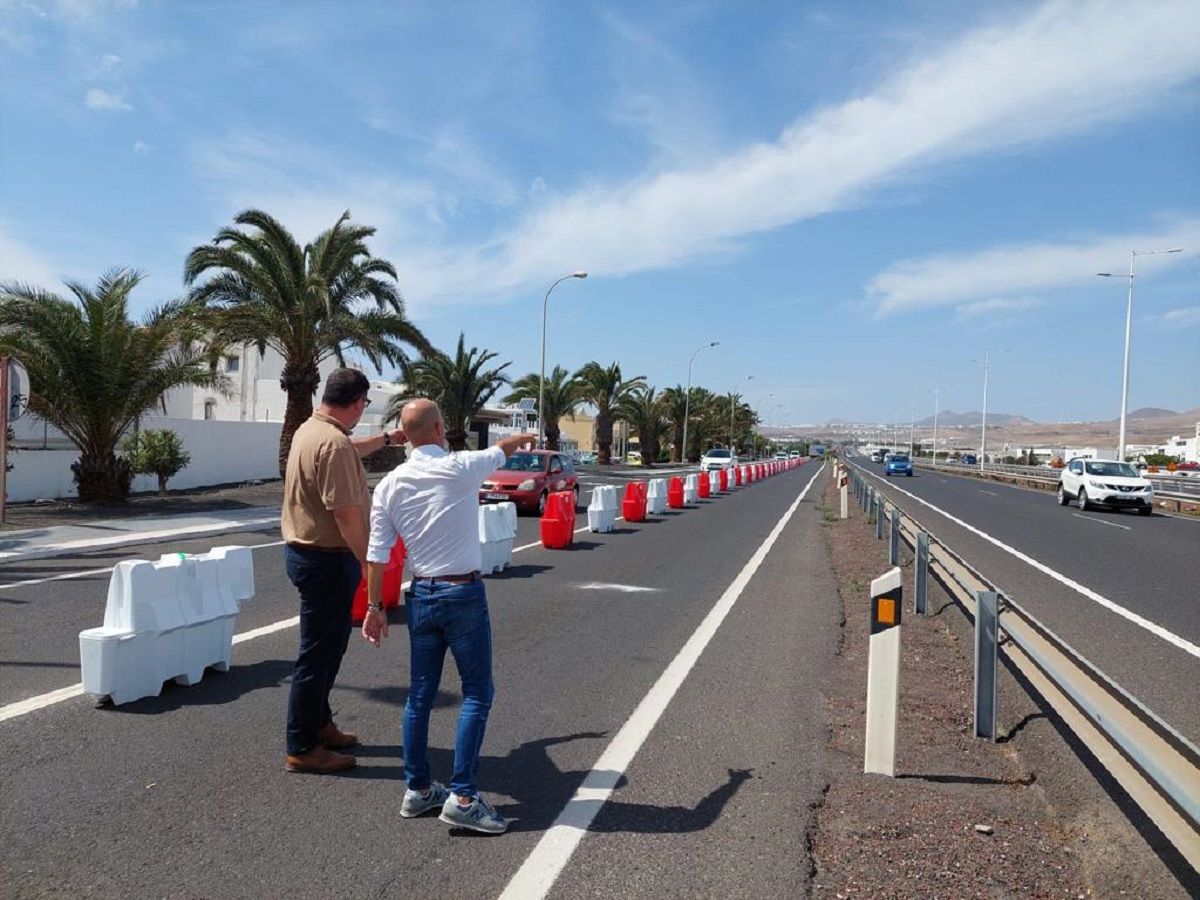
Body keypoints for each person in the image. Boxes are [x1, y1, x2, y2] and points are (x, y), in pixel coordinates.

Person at [362, 398, 536, 834]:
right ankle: (462, 796)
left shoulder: (389, 485)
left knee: (420, 695)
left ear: (405, 435)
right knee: (477, 692)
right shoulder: (460, 467)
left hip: (420, 595)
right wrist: (526, 435)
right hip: (462, 594)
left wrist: (374, 608)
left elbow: (377, 554)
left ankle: (418, 789)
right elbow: (508, 446)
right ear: (440, 429)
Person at [282, 368, 403, 774]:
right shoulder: (332, 444)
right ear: (356, 403)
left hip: (310, 555)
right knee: (317, 656)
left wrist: (388, 439)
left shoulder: (313, 429)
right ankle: (302, 744)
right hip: (327, 559)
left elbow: (351, 449)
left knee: (329, 649)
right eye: (365, 405)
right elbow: (347, 517)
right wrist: (371, 563)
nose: (363, 412)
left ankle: (319, 725)